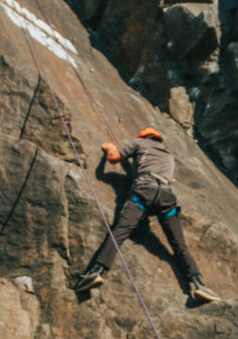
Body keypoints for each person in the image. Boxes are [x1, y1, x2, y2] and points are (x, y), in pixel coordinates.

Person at [70, 126, 218, 303]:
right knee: (179, 245)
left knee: (120, 231)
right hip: (166, 197)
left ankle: (96, 272)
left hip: (144, 192)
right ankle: (199, 284)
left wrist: (109, 148)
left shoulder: (139, 143)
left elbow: (113, 158)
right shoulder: (168, 154)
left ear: (143, 137)